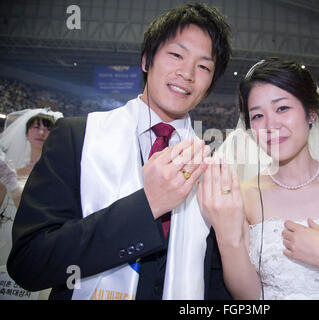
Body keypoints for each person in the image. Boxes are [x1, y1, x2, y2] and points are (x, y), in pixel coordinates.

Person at [7, 3, 232, 300]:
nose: (187, 73)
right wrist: (147, 203)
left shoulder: (209, 165)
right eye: (176, 55)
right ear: (146, 60)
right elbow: (29, 263)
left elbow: (214, 278)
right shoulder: (77, 138)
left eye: (204, 66)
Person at [198, 58, 319, 299]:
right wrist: (228, 238)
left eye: (282, 108)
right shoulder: (244, 195)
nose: (270, 125)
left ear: (311, 113)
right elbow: (249, 297)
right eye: (257, 116)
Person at [0, 109, 62, 266]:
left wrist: (13, 186)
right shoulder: (11, 170)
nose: (41, 132)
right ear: (26, 133)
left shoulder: (56, 174)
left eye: (48, 128)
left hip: (30, 236)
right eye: (36, 127)